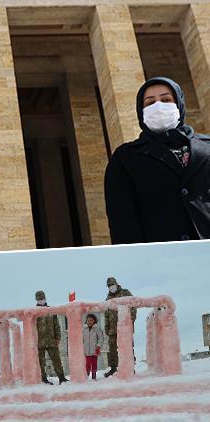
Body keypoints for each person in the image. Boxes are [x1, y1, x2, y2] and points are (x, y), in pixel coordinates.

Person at [105, 77, 210, 244]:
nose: (158, 106)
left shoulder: (207, 148)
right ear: (141, 111)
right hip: (161, 260)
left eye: (166, 99)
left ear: (179, 104)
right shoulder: (126, 158)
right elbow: (122, 221)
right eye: (150, 103)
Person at [103, 276, 136, 378]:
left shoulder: (125, 293)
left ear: (116, 284)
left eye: (112, 284)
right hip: (113, 328)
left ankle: (130, 367)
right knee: (112, 348)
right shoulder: (108, 298)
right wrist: (107, 327)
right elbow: (106, 314)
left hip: (125, 327)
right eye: (108, 286)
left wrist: (131, 320)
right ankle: (113, 368)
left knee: (127, 346)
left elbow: (133, 305)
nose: (110, 287)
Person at [35, 290, 68, 385]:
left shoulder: (51, 310)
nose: (40, 300)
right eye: (39, 299)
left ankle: (62, 378)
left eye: (42, 298)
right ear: (36, 300)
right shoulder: (34, 312)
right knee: (41, 362)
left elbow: (56, 324)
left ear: (45, 298)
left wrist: (58, 337)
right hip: (39, 341)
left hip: (51, 340)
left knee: (56, 360)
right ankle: (43, 379)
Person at [83, 313, 104, 380]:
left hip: (95, 350)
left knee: (94, 363)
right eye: (88, 320)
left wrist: (98, 346)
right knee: (88, 364)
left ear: (94, 321)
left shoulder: (97, 329)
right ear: (86, 321)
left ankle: (94, 377)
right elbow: (81, 339)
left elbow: (101, 338)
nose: (89, 322)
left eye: (91, 320)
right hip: (86, 350)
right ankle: (86, 377)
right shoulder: (83, 329)